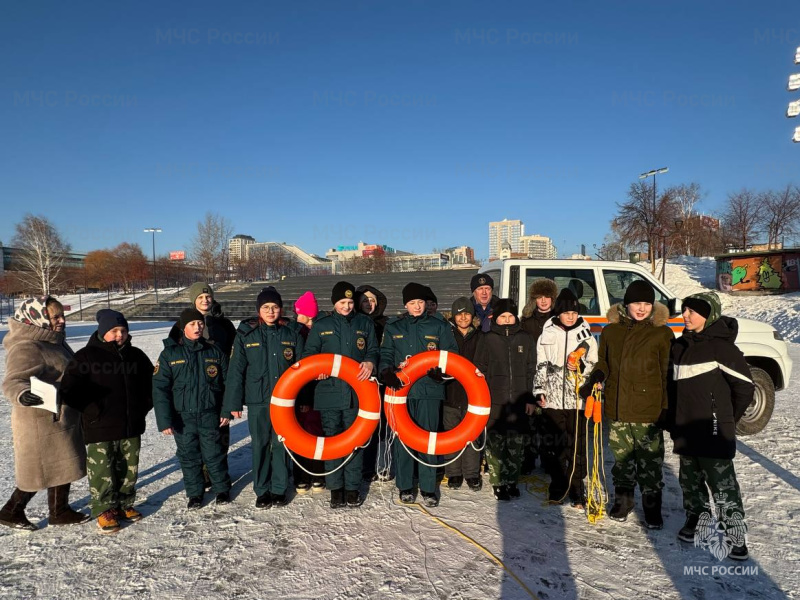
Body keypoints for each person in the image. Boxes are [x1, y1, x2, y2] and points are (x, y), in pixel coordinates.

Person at [669, 292, 754, 560]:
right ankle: (696, 520)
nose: (685, 316)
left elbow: (745, 388)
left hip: (714, 430)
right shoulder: (680, 346)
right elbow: (673, 388)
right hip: (686, 427)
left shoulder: (722, 348)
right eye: (685, 310)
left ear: (709, 315)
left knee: (722, 484)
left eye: (692, 311)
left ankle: (734, 533)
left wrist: (726, 417)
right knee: (690, 482)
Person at [581, 280, 673, 528]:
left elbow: (667, 374)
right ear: (627, 304)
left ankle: (652, 509)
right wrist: (597, 377)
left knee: (650, 463)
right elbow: (603, 363)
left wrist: (666, 407)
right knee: (621, 461)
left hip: (649, 409)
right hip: (618, 406)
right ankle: (624, 502)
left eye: (646, 303)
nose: (641, 308)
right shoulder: (611, 331)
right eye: (636, 303)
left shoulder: (662, 333)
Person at [0, 297, 89, 531]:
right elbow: (12, 381)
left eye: (62, 315)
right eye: (55, 317)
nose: (61, 321)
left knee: (62, 464)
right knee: (38, 470)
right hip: (38, 420)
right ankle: (11, 511)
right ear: (38, 319)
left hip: (59, 416)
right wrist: (22, 394)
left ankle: (59, 511)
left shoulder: (54, 341)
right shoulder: (28, 346)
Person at [61, 310, 153, 533]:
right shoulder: (86, 356)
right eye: (114, 331)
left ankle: (124, 504)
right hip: (99, 425)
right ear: (103, 332)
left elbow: (152, 384)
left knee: (128, 469)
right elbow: (69, 390)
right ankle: (104, 509)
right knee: (103, 470)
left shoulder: (136, 356)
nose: (119, 335)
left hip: (131, 424)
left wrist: (141, 408)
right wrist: (93, 409)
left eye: (123, 331)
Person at [223, 287, 304, 508]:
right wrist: (233, 402)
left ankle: (278, 489)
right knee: (259, 444)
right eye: (266, 307)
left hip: (285, 400)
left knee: (280, 444)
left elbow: (303, 368)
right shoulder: (246, 335)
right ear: (259, 310)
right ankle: (262, 489)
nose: (271, 311)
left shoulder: (292, 333)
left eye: (275, 307)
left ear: (281, 309)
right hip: (258, 400)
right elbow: (236, 370)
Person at [379, 282, 458, 507]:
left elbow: (451, 353)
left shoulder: (439, 326)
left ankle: (428, 487)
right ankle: (405, 485)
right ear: (406, 304)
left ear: (426, 303)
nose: (417, 306)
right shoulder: (395, 327)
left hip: (429, 391)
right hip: (401, 391)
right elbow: (386, 353)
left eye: (420, 302)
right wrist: (386, 370)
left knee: (427, 439)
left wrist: (440, 372)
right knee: (402, 439)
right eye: (412, 303)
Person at [302, 282, 379, 508]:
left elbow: (373, 349)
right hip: (329, 393)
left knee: (354, 440)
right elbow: (309, 354)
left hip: (357, 394)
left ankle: (352, 487)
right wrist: (317, 369)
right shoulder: (321, 325)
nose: (346, 306)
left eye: (350, 302)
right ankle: (336, 488)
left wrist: (370, 361)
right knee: (333, 440)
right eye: (342, 302)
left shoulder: (364, 323)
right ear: (334, 303)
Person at [153, 308, 233, 509]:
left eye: (200, 324)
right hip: (183, 418)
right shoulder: (170, 354)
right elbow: (160, 389)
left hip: (210, 414)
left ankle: (222, 489)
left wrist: (226, 410)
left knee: (214, 454)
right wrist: (164, 420)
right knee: (189, 457)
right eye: (192, 324)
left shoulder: (214, 352)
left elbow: (228, 385)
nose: (197, 327)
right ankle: (195, 493)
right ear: (183, 328)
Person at [169, 282, 237, 489]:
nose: (205, 300)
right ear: (194, 300)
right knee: (194, 436)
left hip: (218, 384)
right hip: (192, 388)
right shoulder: (180, 325)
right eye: (200, 297)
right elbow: (172, 355)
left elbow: (234, 354)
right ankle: (200, 475)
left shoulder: (224, 324)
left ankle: (217, 472)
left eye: (207, 296)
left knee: (220, 431)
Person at [533, 289, 597, 507]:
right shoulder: (547, 333)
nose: (570, 316)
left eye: (574, 312)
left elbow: (594, 365)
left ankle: (577, 489)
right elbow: (540, 364)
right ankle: (558, 486)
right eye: (566, 312)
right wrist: (539, 390)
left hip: (577, 401)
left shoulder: (586, 336)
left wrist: (581, 366)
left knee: (577, 447)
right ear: (558, 313)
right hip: (552, 401)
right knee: (555, 447)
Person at [474, 299, 535, 501]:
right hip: (495, 401)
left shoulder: (524, 338)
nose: (507, 320)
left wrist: (529, 399)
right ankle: (498, 483)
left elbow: (530, 369)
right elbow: (480, 368)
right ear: (495, 318)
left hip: (518, 400)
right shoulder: (487, 339)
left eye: (510, 316)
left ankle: (512, 481)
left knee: (516, 446)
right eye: (503, 316)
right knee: (496, 446)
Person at [443, 298, 483, 492]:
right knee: (452, 436)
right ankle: (454, 473)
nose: (464, 317)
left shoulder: (480, 336)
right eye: (459, 314)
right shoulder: (447, 335)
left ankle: (471, 473)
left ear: (472, 316)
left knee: (472, 436)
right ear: (454, 316)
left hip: (473, 397)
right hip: (451, 394)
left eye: (467, 313)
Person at [520, 278, 558, 473]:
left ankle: (547, 458)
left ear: (553, 299)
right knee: (530, 420)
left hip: (554, 378)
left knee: (549, 421)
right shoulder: (526, 323)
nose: (543, 301)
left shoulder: (559, 320)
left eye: (547, 297)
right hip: (532, 375)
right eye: (539, 297)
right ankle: (528, 459)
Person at [355, 284, 391, 482]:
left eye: (372, 300)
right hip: (359, 381)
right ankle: (364, 467)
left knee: (382, 425)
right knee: (364, 425)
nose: (369, 304)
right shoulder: (353, 323)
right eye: (365, 300)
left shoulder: (387, 324)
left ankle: (382, 464)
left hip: (381, 380)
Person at [292, 291, 325, 494]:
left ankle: (317, 475)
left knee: (316, 434)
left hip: (320, 391)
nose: (296, 317)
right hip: (302, 392)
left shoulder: (320, 331)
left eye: (299, 313)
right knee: (299, 434)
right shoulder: (297, 333)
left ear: (308, 314)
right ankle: (301, 476)